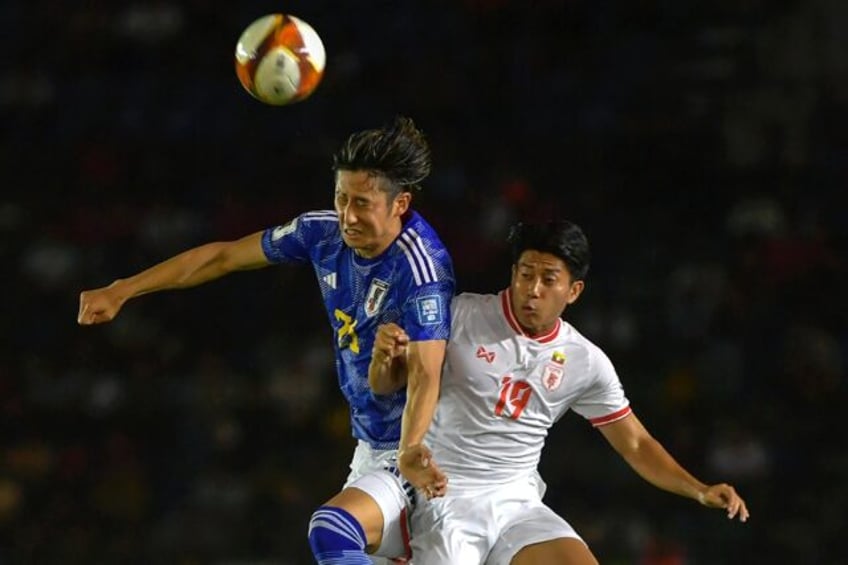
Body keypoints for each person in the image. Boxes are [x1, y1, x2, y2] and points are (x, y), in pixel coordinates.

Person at [77, 116, 454, 564]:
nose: (348, 216)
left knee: (332, 533)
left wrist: (412, 449)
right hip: (371, 446)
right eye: (341, 198)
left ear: (399, 204)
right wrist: (123, 289)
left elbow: (427, 373)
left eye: (362, 203)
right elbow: (223, 257)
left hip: (425, 452)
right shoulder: (322, 232)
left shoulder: (421, 267)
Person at [370, 220, 749, 565]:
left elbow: (635, 443)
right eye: (525, 274)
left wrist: (698, 490)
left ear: (574, 291)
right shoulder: (459, 314)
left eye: (548, 279)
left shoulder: (585, 361)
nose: (532, 290)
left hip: (516, 502)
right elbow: (389, 385)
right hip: (443, 495)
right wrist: (386, 360)